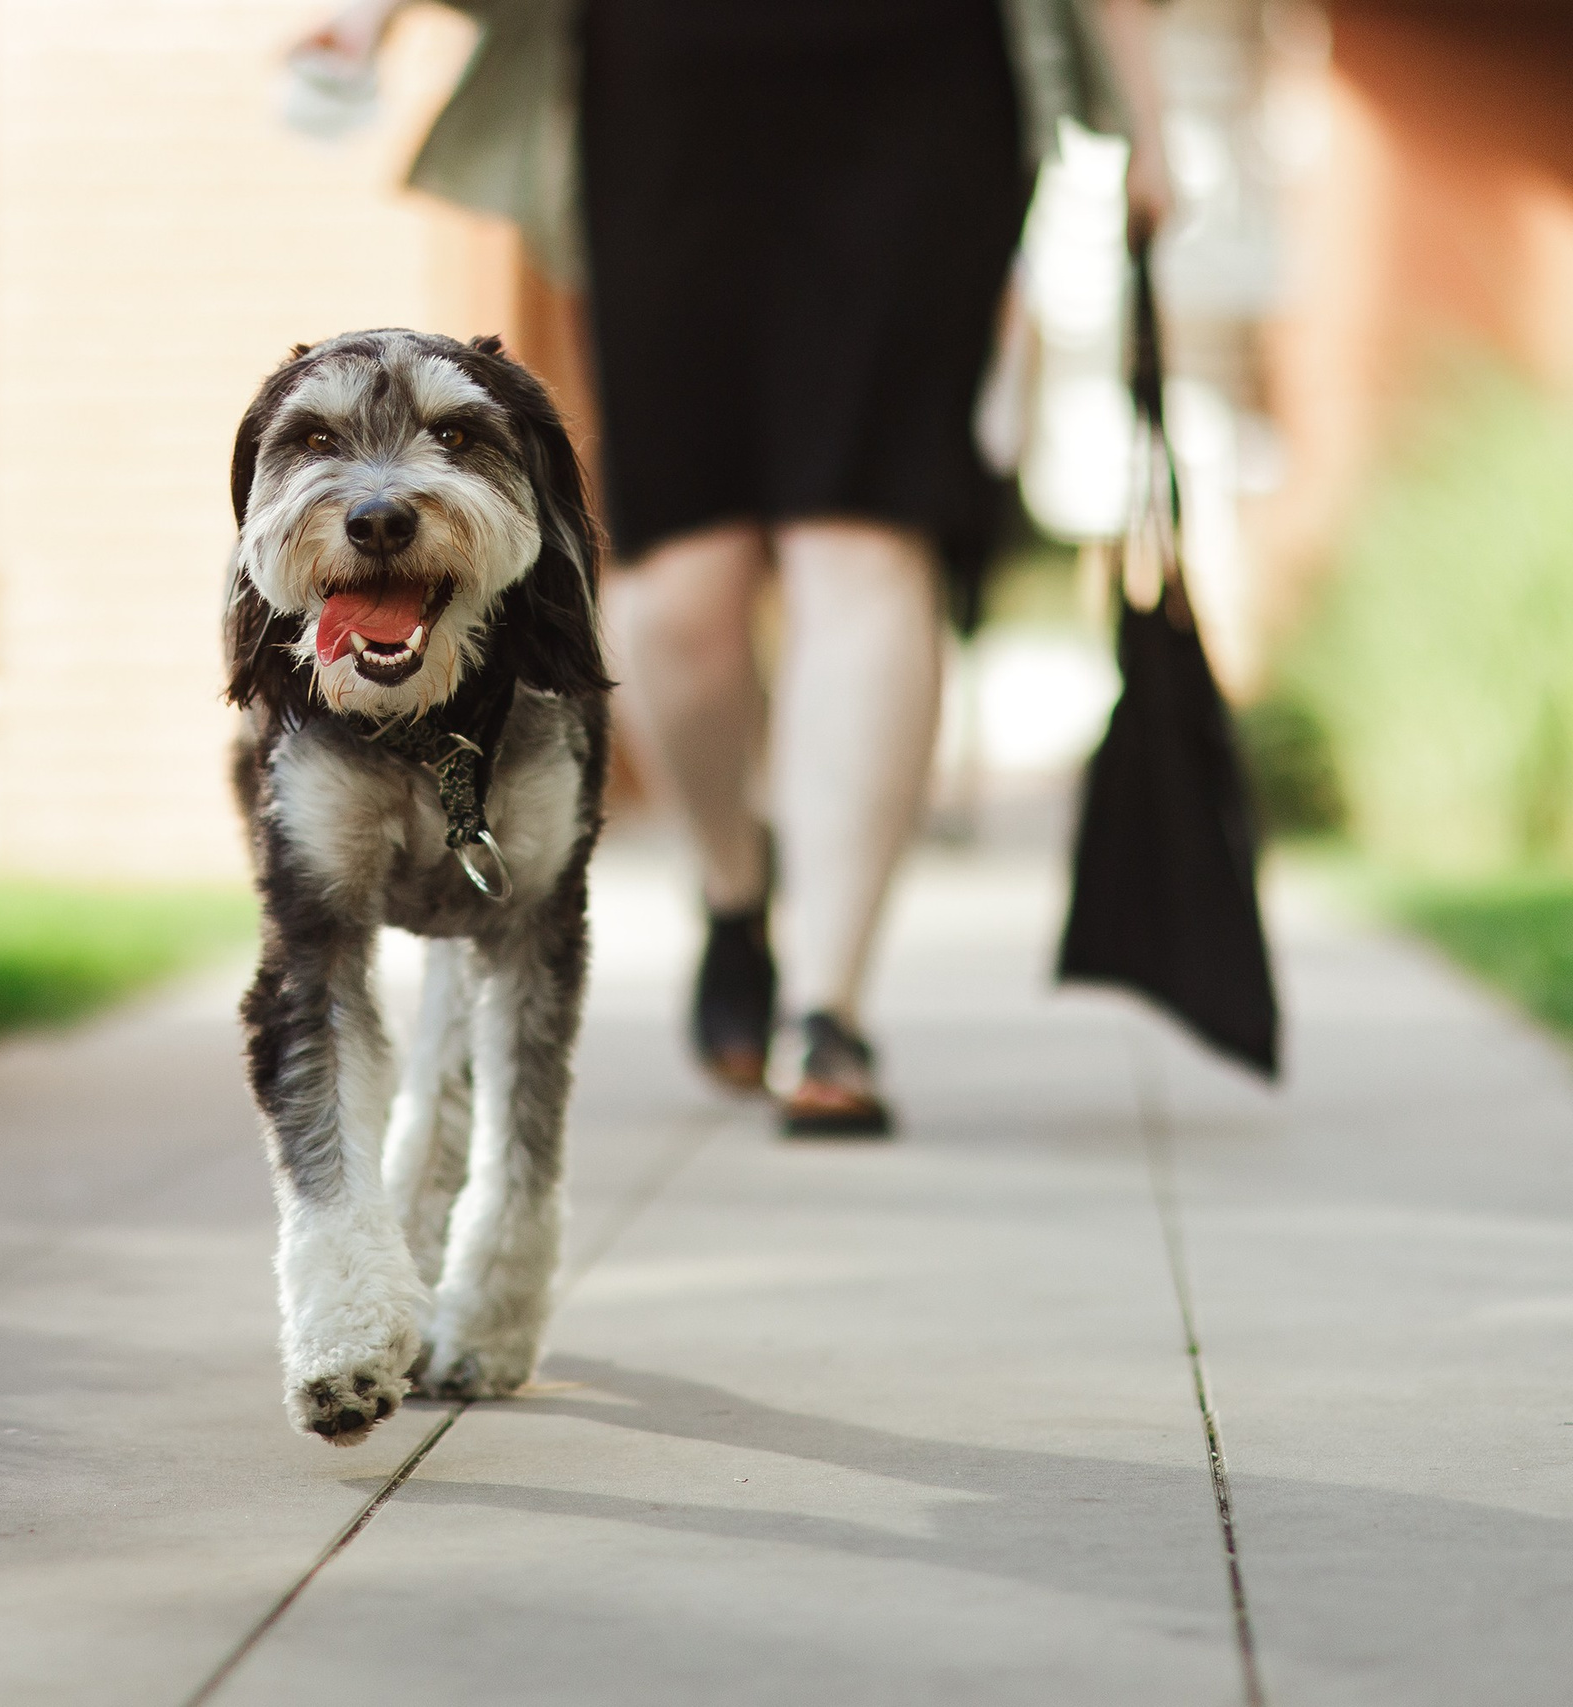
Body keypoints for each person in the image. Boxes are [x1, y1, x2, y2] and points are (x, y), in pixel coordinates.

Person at [296, 0, 1170, 1135]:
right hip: (668, 83)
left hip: (921, 86)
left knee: (862, 529)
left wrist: (1148, 121)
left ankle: (829, 1008)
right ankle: (733, 887)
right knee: (680, 579)